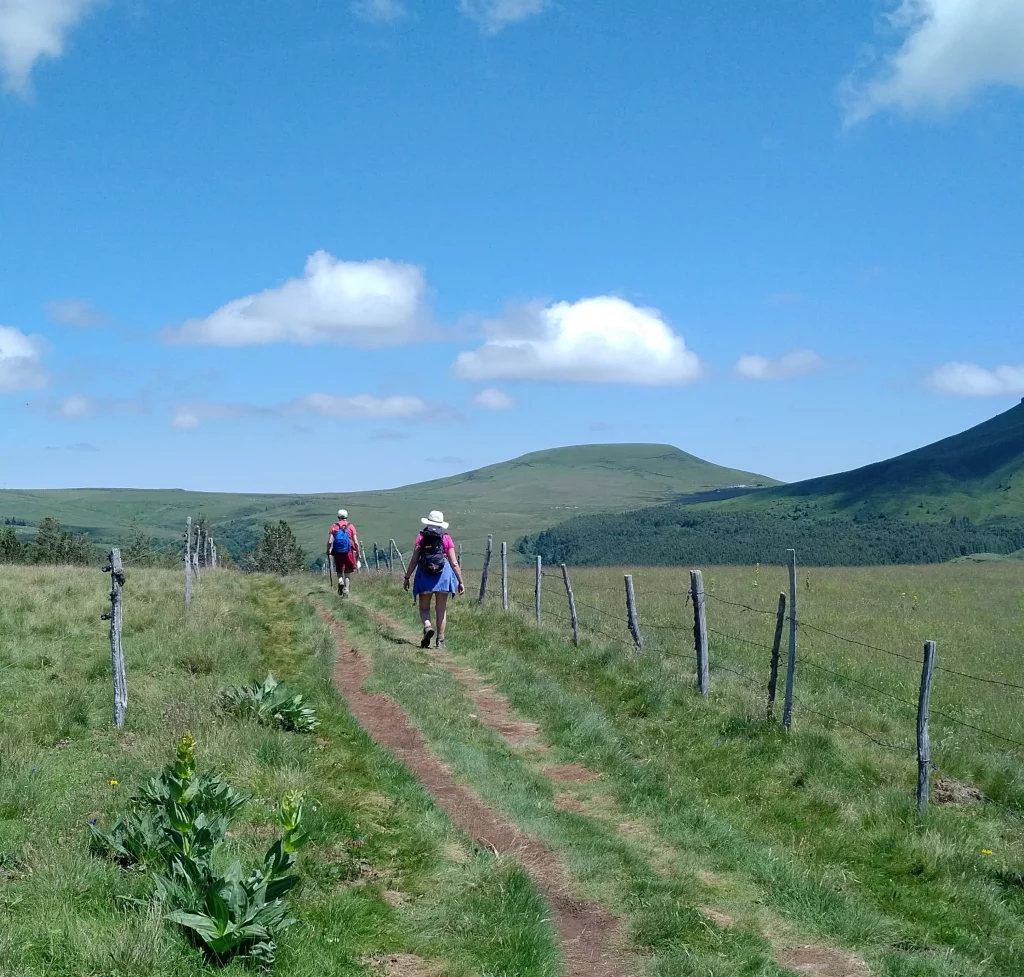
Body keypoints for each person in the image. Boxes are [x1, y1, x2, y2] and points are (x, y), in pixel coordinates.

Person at [403, 510, 465, 649]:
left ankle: (427, 626)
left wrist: (407, 577)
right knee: (441, 609)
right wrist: (460, 581)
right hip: (443, 575)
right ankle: (440, 641)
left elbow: (414, 559)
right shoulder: (446, 537)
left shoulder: (421, 536)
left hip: (424, 574)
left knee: (424, 607)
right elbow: (454, 562)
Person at [326, 509, 360, 597]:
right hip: (349, 551)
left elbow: (330, 541)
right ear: (346, 516)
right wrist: (358, 553)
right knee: (347, 572)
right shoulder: (350, 526)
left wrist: (328, 550)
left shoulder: (334, 526)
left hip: (337, 552)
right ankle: (346, 590)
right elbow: (356, 542)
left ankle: (340, 581)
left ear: (338, 517)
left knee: (339, 570)